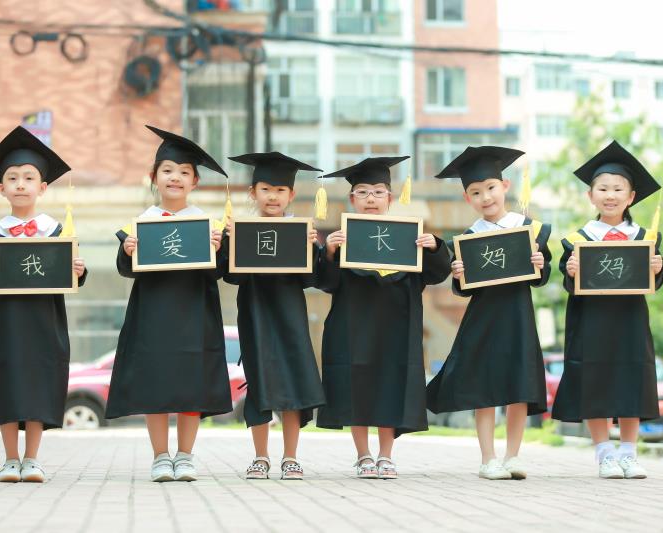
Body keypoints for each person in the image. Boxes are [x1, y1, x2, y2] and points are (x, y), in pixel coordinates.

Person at [105, 126, 231, 482]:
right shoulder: (141, 224)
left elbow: (219, 273)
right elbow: (127, 270)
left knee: (193, 384)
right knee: (155, 383)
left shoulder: (209, 225)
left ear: (195, 182)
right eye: (167, 170)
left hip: (195, 315)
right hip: (152, 315)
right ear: (154, 177)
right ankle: (161, 456)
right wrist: (127, 251)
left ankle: (185, 456)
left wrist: (219, 249)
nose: (175, 177)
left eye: (184, 172)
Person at [0, 126, 87, 482]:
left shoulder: (57, 232)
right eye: (12, 178)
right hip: (3, 323)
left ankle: (32, 459)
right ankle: (9, 460)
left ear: (43, 187)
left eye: (29, 178)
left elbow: (72, 276)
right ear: (1, 188)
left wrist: (79, 270)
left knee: (38, 384)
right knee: (7, 383)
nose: (21, 184)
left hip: (44, 322)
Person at [317, 156, 451, 479]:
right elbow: (326, 282)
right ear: (352, 199)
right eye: (362, 192)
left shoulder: (407, 237)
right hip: (352, 325)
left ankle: (386, 455)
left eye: (378, 192)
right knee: (356, 387)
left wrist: (434, 247)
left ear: (390, 198)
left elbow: (435, 274)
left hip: (396, 326)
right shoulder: (343, 238)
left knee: (392, 385)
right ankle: (363, 455)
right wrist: (329, 253)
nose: (371, 198)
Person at [426, 146, 550, 480]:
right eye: (476, 192)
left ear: (505, 186)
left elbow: (540, 277)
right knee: (486, 389)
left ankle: (513, 456)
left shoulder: (530, 230)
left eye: (491, 188)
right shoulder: (468, 239)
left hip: (518, 317)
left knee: (518, 387)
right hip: (483, 320)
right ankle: (488, 459)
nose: (486, 197)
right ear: (467, 199)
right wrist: (458, 275)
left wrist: (540, 264)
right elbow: (464, 289)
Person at [552, 140, 663, 479]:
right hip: (591, 322)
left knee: (632, 379)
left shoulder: (644, 237)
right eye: (602, 188)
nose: (610, 195)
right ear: (590, 196)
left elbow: (655, 280)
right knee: (594, 381)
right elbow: (567, 279)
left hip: (630, 320)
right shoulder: (578, 239)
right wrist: (571, 271)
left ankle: (628, 453)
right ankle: (604, 453)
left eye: (618, 189)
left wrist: (658, 268)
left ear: (631, 197)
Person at [224, 151, 326, 480]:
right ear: (252, 193)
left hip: (290, 314)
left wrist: (313, 249)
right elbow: (231, 276)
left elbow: (312, 280)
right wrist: (228, 243)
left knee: (293, 381)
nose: (273, 196)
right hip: (254, 312)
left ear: (291, 195)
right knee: (258, 383)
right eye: (265, 189)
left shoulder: (299, 230)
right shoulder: (241, 229)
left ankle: (291, 457)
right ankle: (260, 457)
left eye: (280, 190)